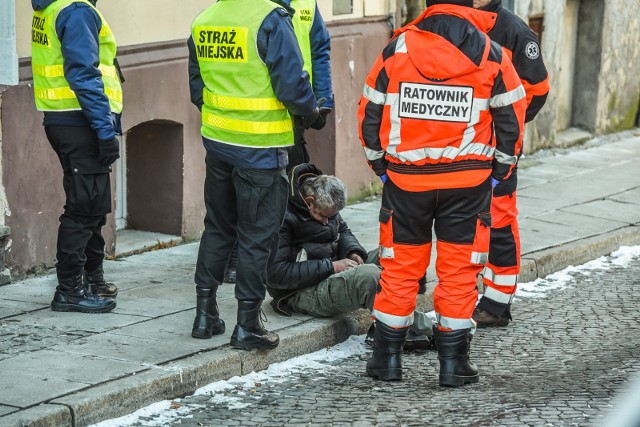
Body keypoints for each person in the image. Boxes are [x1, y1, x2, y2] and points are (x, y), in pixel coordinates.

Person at [357, 0, 526, 386]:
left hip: (405, 183)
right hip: (467, 186)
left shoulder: (396, 51)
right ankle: (453, 365)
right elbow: (512, 122)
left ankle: (386, 360)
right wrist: (498, 172)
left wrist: (380, 167)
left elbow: (369, 112)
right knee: (459, 273)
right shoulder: (493, 54)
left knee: (399, 270)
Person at [187, 0, 321, 351]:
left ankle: (205, 314)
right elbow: (292, 86)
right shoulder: (270, 19)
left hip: (218, 145)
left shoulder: (205, 19)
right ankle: (247, 325)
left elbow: (197, 88)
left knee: (217, 226)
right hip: (260, 150)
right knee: (256, 236)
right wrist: (310, 110)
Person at [223, 0, 334, 285]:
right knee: (247, 190)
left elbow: (319, 49)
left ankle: (280, 257)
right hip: (256, 116)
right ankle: (237, 257)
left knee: (289, 190)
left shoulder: (307, 3)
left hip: (295, 114)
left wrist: (322, 101)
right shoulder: (256, 6)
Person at [266, 164, 434, 349]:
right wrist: (332, 266)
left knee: (395, 256)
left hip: (330, 269)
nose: (327, 221)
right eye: (323, 216)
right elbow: (275, 274)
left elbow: (343, 230)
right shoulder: (281, 216)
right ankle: (428, 329)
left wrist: (353, 252)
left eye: (332, 217)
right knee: (370, 277)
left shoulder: (325, 205)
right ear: (310, 201)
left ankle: (390, 324)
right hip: (300, 292)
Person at [31, 0, 123, 313]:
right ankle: (70, 289)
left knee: (93, 205)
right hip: (80, 121)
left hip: (64, 119)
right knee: (84, 208)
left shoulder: (54, 7)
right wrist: (104, 130)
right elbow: (83, 73)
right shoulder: (75, 10)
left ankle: (92, 278)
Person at [471, 0, 550, 328]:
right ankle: (464, 293)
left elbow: (539, 90)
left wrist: (507, 125)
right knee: (464, 222)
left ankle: (497, 303)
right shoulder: (454, 22)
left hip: (499, 149)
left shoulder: (516, 32)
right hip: (462, 149)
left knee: (499, 222)